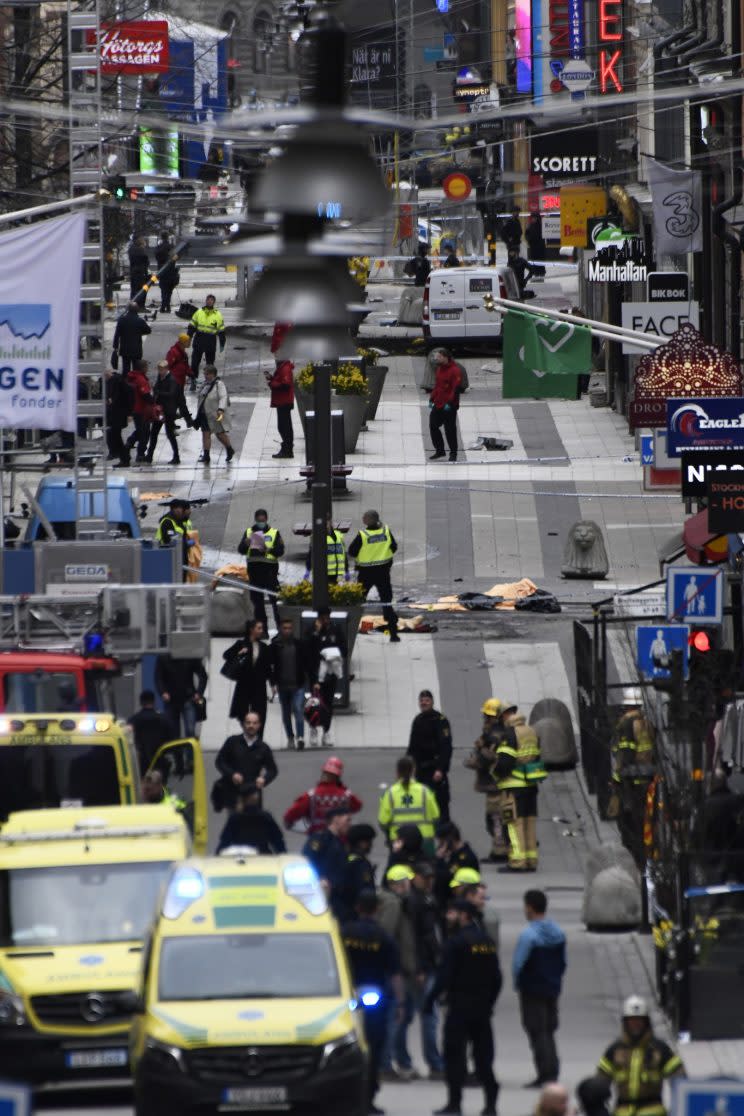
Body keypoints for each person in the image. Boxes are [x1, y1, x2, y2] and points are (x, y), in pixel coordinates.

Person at [427, 898, 502, 1116]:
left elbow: (444, 977)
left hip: (459, 1007)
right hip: (481, 1009)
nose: (448, 917)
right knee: (483, 1058)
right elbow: (497, 978)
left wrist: (430, 1000)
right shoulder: (486, 942)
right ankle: (490, 1105)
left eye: (453, 913)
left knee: (454, 1056)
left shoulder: (455, 943)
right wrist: (489, 1003)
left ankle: (455, 1104)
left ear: (465, 916)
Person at [343, 890, 404, 1116]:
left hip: (347, 999)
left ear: (357, 908)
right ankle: (368, 1098)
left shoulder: (344, 932)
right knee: (374, 1051)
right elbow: (395, 972)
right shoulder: (383, 937)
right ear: (377, 910)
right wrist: (400, 1003)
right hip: (378, 1001)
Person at [513, 889, 567, 1087]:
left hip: (532, 989)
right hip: (552, 987)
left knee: (537, 1030)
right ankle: (552, 1069)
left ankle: (545, 1073)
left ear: (529, 907)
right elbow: (563, 961)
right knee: (549, 1029)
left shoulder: (529, 935)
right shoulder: (558, 932)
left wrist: (518, 982)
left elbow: (518, 963)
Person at [596, 996, 683, 1116]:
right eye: (631, 1021)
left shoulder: (660, 1050)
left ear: (646, 1023)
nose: (635, 1025)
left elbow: (680, 1081)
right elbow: (598, 1085)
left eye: (639, 1021)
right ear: (625, 1023)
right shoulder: (615, 1050)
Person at [377, 864, 418, 1082]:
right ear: (396, 885)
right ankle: (386, 1064)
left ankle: (399, 1061)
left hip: (397, 970)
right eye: (405, 883)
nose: (408, 886)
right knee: (396, 1017)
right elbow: (388, 935)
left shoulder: (394, 901)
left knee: (400, 1017)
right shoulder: (393, 904)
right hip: (396, 972)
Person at [409, 861, 445, 1079]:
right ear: (415, 877)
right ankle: (434, 1062)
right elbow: (415, 937)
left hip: (431, 963)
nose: (429, 882)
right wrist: (420, 967)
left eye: (431, 878)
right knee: (428, 1016)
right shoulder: (415, 902)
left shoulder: (428, 899)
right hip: (424, 966)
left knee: (428, 1016)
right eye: (425, 878)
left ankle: (433, 1061)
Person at [466, 698, 512, 863]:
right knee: (496, 818)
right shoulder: (501, 731)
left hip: (494, 784)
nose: (485, 718)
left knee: (495, 818)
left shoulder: (494, 735)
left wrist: (476, 757)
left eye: (488, 716)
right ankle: (501, 849)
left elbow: (488, 758)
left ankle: (500, 852)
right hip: (498, 783)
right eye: (485, 715)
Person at [504, 705, 547, 870]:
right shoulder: (531, 731)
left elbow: (505, 762)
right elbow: (538, 755)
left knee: (515, 824)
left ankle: (518, 861)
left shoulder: (510, 734)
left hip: (514, 786)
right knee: (530, 823)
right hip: (531, 784)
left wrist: (495, 774)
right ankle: (531, 860)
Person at [348, 510, 400, 643]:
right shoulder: (385, 531)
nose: (362, 518)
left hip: (365, 574)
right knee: (387, 603)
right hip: (383, 572)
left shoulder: (363, 535)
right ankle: (394, 634)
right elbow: (394, 547)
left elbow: (352, 552)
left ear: (367, 520)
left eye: (364, 517)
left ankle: (350, 631)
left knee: (357, 602)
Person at [213, 710, 278, 813]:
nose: (251, 726)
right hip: (234, 792)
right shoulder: (232, 742)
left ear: (259, 725)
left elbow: (273, 770)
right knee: (235, 825)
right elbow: (220, 761)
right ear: (243, 724)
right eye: (248, 722)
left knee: (253, 826)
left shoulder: (263, 748)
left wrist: (264, 779)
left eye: (254, 723)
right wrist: (232, 774)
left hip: (253, 794)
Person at [378, 755, 440, 857]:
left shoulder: (389, 794)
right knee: (428, 870)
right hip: (425, 841)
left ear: (397, 772)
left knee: (396, 871)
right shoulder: (426, 791)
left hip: (399, 842)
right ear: (414, 770)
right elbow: (436, 817)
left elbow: (383, 822)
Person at [303, 607, 347, 746]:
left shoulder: (336, 630)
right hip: (316, 674)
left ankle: (326, 731)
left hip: (331, 673)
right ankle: (313, 729)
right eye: (323, 618)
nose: (325, 621)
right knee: (315, 703)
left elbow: (344, 649)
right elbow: (307, 652)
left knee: (328, 704)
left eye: (327, 618)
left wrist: (335, 656)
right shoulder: (311, 631)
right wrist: (316, 632)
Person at [284, 755, 362, 834]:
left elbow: (289, 816)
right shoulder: (347, 795)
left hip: (317, 838)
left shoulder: (311, 795)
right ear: (338, 776)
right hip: (340, 839)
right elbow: (358, 806)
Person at [407, 690, 452, 821]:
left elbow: (446, 747)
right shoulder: (418, 720)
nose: (424, 703)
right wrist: (409, 768)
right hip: (420, 770)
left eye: (427, 700)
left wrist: (440, 769)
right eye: (421, 700)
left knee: (440, 804)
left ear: (432, 702)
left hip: (435, 770)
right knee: (422, 803)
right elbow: (412, 747)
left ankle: (444, 832)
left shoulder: (440, 720)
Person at [302, 807, 351, 920]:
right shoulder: (320, 838)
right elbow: (308, 860)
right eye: (347, 820)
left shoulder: (340, 842)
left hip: (337, 894)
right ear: (336, 819)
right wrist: (319, 878)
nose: (349, 824)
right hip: (323, 893)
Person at [238, 508, 285, 629]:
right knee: (257, 604)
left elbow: (281, 551)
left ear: (267, 519)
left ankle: (280, 628)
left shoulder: (274, 532)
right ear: (255, 520)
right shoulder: (248, 532)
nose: (261, 523)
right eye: (259, 521)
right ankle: (263, 630)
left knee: (275, 601)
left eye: (263, 520)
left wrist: (269, 550)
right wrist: (245, 544)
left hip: (270, 572)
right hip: (254, 572)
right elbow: (241, 550)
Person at [223, 619, 274, 726]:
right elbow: (226, 655)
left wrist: (272, 683)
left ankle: (258, 737)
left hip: (259, 685)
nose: (261, 631)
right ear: (252, 630)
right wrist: (239, 652)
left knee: (260, 713)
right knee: (242, 712)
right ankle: (247, 733)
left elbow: (267, 667)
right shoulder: (241, 644)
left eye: (262, 628)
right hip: (244, 684)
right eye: (259, 628)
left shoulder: (264, 647)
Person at [215, 783, 286, 854]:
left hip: (241, 859)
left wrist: (217, 858)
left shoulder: (235, 818)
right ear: (256, 797)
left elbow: (224, 842)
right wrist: (283, 856)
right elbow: (278, 841)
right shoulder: (265, 817)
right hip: (263, 858)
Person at [270, 618, 308, 749]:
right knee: (286, 713)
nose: (287, 631)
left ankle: (301, 737)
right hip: (282, 685)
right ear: (280, 629)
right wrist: (273, 683)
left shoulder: (299, 644)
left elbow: (306, 663)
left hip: (298, 684)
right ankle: (290, 737)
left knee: (298, 709)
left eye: (289, 628)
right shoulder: (276, 645)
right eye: (285, 628)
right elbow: (272, 666)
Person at [146, 360, 192, 465]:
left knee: (170, 433)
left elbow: (171, 393)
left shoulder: (171, 380)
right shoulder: (160, 377)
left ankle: (176, 456)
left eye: (161, 369)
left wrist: (158, 392)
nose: (160, 371)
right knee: (154, 433)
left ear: (166, 369)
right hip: (160, 410)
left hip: (168, 411)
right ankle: (149, 455)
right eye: (159, 369)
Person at [154, 654, 207, 738]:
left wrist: (199, 693)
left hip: (188, 698)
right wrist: (163, 692)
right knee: (173, 732)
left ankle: (189, 750)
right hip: (171, 700)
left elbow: (203, 676)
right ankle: (177, 751)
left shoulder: (190, 656)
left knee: (190, 730)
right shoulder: (163, 657)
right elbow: (158, 677)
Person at [434, 822, 480, 908]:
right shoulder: (454, 855)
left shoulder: (465, 858)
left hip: (460, 902)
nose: (440, 845)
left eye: (442, 841)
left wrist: (439, 859)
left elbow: (445, 877)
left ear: (449, 840)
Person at [195, 364, 234, 465]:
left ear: (213, 374)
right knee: (205, 434)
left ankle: (229, 449)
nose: (205, 376)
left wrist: (221, 409)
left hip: (215, 414)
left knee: (220, 434)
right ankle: (206, 455)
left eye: (207, 374)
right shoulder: (205, 384)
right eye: (204, 374)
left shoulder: (219, 384)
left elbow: (223, 397)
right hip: (204, 414)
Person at [428, 348, 462, 463]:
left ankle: (453, 453)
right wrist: (432, 398)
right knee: (433, 425)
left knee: (450, 430)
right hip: (438, 402)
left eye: (438, 357)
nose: (436, 359)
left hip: (449, 405)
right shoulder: (439, 369)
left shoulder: (455, 370)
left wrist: (451, 403)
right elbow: (437, 386)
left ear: (445, 357)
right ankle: (440, 450)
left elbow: (455, 388)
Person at [127, 690, 173, 775]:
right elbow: (171, 738)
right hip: (160, 760)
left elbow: (128, 737)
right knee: (161, 786)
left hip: (141, 762)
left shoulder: (134, 719)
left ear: (141, 702)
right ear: (154, 701)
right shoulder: (164, 719)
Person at [188, 294, 226, 385]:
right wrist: (188, 338)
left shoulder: (218, 315)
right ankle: (193, 380)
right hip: (199, 338)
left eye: (211, 300)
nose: (209, 301)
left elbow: (221, 331)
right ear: (206, 301)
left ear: (214, 302)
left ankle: (209, 381)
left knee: (210, 363)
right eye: (208, 300)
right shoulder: (199, 312)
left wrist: (222, 343)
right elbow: (192, 326)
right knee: (194, 362)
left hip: (210, 340)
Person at [342, 823, 378, 915]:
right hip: (356, 913)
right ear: (362, 843)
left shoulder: (345, 859)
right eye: (369, 841)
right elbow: (365, 890)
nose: (371, 845)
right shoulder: (360, 863)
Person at [124, 358, 154, 463]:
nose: (148, 368)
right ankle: (140, 454)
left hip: (135, 409)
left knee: (140, 430)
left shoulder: (131, 377)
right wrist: (154, 402)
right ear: (143, 368)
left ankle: (130, 443)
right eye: (146, 366)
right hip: (142, 410)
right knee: (145, 433)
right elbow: (145, 395)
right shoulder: (140, 379)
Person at [155, 498, 193, 581]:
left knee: (182, 579)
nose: (182, 511)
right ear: (174, 509)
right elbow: (169, 541)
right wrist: (187, 543)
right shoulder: (167, 522)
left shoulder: (179, 521)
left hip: (180, 556)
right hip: (169, 557)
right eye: (180, 509)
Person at [305, 515, 348, 585]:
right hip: (322, 574)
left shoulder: (339, 535)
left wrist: (346, 569)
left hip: (338, 573)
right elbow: (311, 554)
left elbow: (343, 554)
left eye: (329, 523)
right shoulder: (316, 537)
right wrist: (308, 569)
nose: (328, 525)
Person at [265, 357, 295, 458]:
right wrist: (272, 379)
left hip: (284, 402)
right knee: (283, 426)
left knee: (284, 426)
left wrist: (272, 384)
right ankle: (287, 448)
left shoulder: (285, 368)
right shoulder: (282, 367)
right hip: (282, 401)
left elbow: (285, 385)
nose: (275, 358)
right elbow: (282, 382)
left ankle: (287, 450)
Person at [112, 301, 151, 375]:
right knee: (136, 369)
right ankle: (135, 383)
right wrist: (140, 333)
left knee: (126, 369)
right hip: (136, 349)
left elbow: (117, 334)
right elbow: (148, 330)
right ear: (137, 310)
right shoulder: (140, 321)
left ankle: (125, 384)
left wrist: (115, 347)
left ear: (128, 309)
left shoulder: (122, 320)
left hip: (125, 349)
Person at [104, 367, 131, 466]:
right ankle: (124, 457)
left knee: (115, 436)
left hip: (117, 415)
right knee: (115, 436)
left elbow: (117, 399)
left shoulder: (116, 382)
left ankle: (124, 458)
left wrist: (128, 413)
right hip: (116, 414)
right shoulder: (115, 381)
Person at [155, 233, 179, 312]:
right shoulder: (171, 247)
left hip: (162, 271)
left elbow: (157, 257)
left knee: (163, 289)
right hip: (171, 271)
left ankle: (164, 306)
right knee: (169, 289)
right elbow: (175, 257)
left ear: (161, 237)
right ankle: (167, 306)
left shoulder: (159, 247)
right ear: (168, 237)